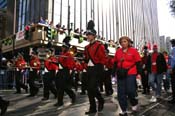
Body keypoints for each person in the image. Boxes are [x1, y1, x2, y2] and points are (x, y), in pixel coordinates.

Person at [113, 36, 142, 116]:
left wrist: (139, 74)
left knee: (130, 91)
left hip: (131, 73)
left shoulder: (133, 51)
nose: (123, 43)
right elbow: (115, 63)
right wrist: (113, 74)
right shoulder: (118, 51)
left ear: (128, 42)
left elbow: (138, 63)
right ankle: (124, 110)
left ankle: (134, 102)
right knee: (121, 93)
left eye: (125, 41)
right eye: (121, 42)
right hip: (120, 74)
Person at [84, 20, 106, 115]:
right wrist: (84, 61)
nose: (88, 36)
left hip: (97, 69)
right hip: (89, 69)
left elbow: (103, 59)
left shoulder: (99, 45)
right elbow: (87, 58)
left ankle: (100, 100)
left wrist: (100, 70)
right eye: (87, 34)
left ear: (94, 36)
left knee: (92, 88)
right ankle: (92, 108)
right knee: (89, 89)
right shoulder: (86, 47)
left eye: (89, 34)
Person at [54, 36, 76, 107]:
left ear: (66, 48)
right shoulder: (62, 54)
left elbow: (70, 64)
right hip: (60, 71)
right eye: (62, 46)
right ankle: (61, 100)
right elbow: (59, 62)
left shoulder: (68, 54)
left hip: (65, 71)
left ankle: (70, 97)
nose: (62, 47)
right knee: (59, 86)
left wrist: (69, 73)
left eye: (63, 47)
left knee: (63, 87)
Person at [168, 39, 175, 104]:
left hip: (174, 69)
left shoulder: (173, 49)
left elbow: (173, 60)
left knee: (173, 84)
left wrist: (171, 69)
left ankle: (174, 99)